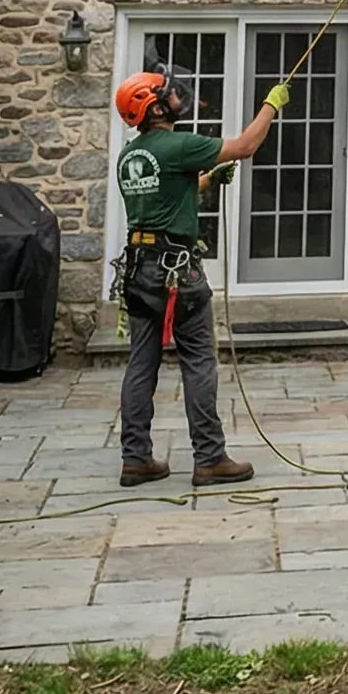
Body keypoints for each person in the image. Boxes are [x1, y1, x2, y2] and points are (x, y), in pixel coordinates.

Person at [112, 66, 288, 488]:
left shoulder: (131, 155)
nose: (175, 97)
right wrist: (271, 105)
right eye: (166, 93)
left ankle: (135, 459)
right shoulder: (178, 145)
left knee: (141, 364)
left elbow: (168, 196)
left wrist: (208, 179)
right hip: (177, 271)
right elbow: (245, 145)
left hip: (139, 269)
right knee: (199, 362)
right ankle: (209, 458)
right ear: (154, 108)